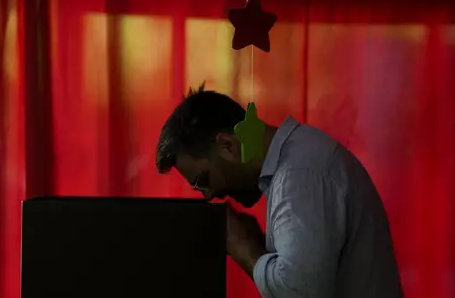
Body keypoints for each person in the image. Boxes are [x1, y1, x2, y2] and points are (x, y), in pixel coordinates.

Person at [155, 85, 404, 298]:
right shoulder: (300, 163)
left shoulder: (299, 174)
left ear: (228, 146)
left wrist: (242, 246)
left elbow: (298, 293)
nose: (208, 195)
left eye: (203, 180)